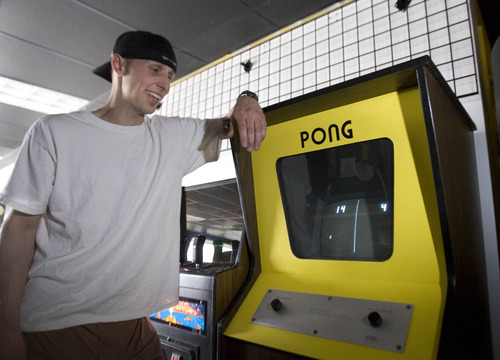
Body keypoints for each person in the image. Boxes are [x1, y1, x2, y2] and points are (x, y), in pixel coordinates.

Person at [0, 30, 266, 360]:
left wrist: (247, 98)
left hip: (135, 327)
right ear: (118, 65)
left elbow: (233, 125)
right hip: (60, 322)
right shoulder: (54, 132)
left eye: (170, 75)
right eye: (155, 69)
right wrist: (6, 327)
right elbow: (19, 228)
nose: (165, 83)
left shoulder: (173, 137)